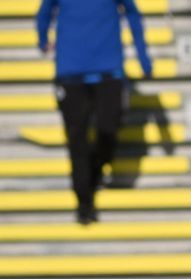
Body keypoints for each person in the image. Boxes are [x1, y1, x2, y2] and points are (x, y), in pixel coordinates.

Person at [36, 0, 153, 224]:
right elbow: (44, 12)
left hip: (109, 71)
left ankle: (95, 172)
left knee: (108, 129)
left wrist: (143, 57)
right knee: (76, 140)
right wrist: (43, 39)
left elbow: (132, 13)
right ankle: (84, 202)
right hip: (71, 74)